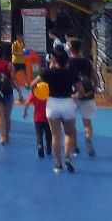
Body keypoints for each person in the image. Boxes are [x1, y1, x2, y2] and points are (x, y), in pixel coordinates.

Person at [42, 46, 81, 174]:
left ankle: (58, 164)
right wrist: (75, 96)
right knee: (69, 133)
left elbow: (33, 85)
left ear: (54, 60)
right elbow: (80, 90)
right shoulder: (71, 73)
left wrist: (42, 93)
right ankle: (68, 157)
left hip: (52, 103)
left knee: (55, 135)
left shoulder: (47, 73)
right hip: (67, 103)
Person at [72, 49, 97, 157]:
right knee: (87, 123)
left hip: (73, 95)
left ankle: (74, 146)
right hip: (88, 96)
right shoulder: (88, 62)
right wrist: (93, 89)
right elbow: (95, 79)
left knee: (71, 123)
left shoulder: (69, 62)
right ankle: (88, 139)